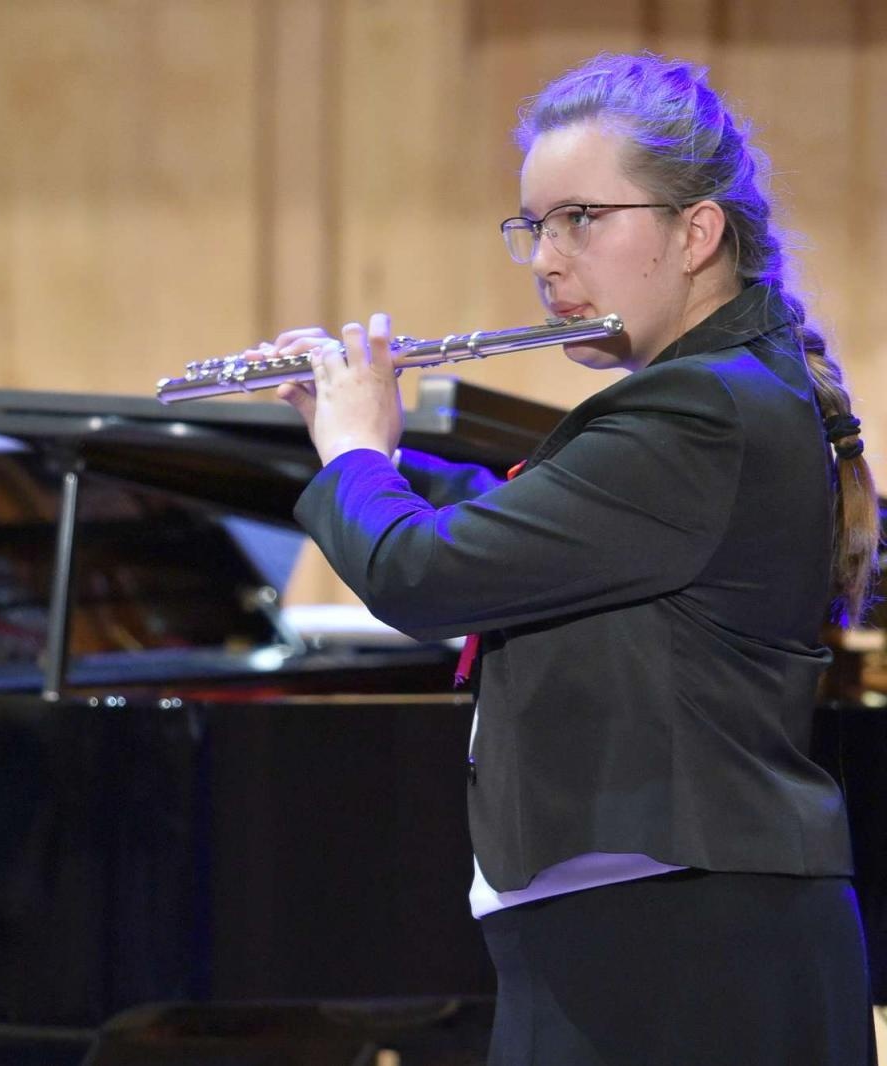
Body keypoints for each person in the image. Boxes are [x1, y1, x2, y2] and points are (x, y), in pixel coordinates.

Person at [268, 53, 880, 1064]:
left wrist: (358, 456)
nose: (546, 258)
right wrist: (359, 446)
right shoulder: (722, 395)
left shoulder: (697, 410)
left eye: (580, 219)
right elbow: (530, 528)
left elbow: (418, 577)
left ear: (696, 232)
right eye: (533, 226)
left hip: (675, 953)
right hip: (657, 934)